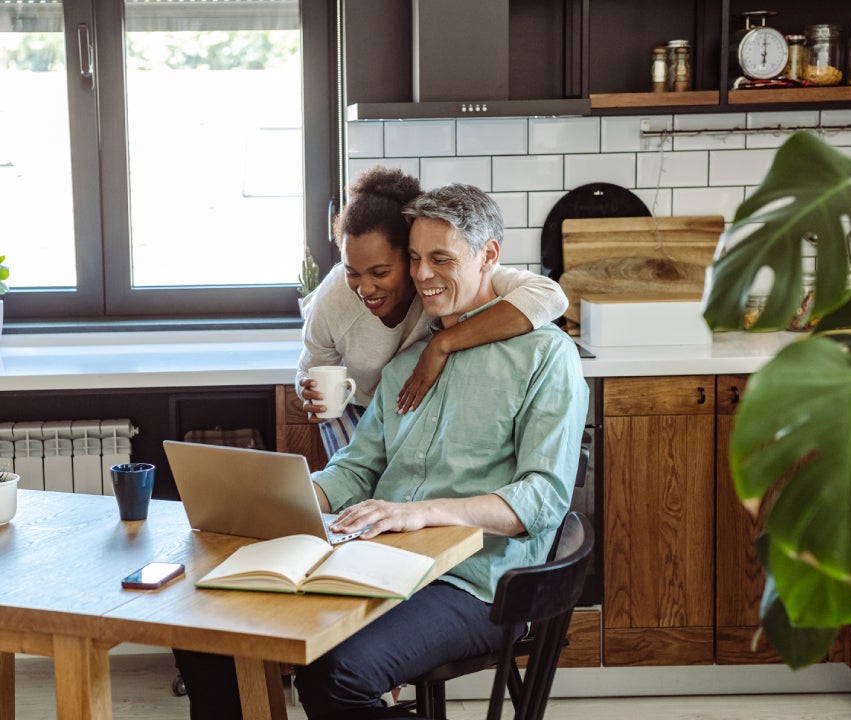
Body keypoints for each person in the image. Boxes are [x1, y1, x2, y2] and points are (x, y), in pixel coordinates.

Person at [174, 183, 588, 719]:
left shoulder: (546, 357)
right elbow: (358, 466)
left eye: (441, 258)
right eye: (415, 259)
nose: (422, 274)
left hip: (474, 583)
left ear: (489, 256)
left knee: (337, 674)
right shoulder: (406, 366)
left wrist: (419, 513)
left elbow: (543, 498)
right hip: (379, 563)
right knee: (207, 629)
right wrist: (289, 499)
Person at [297, 167, 567, 457]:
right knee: (357, 488)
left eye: (380, 272)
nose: (364, 288)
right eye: (352, 272)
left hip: (411, 401)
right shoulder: (333, 302)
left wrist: (442, 344)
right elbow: (308, 370)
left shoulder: (437, 278)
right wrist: (309, 393)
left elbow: (549, 296)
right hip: (355, 404)